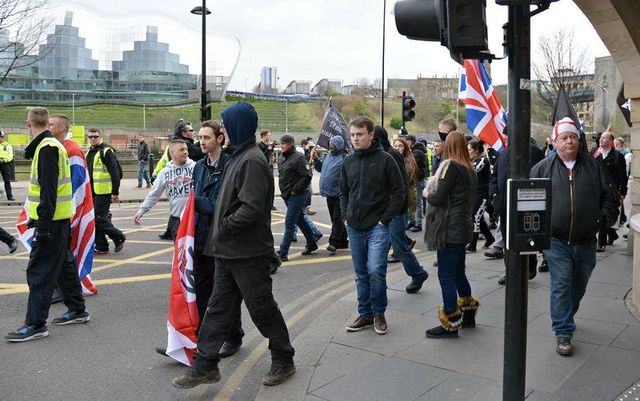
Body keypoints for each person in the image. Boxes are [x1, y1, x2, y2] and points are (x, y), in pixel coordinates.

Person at [172, 102, 295, 389]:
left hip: (248, 252)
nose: (223, 129)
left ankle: (284, 358)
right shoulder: (238, 156)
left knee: (262, 309)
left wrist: (224, 227)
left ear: (238, 126)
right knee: (217, 308)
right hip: (229, 250)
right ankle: (205, 366)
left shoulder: (251, 160)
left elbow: (251, 208)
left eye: (226, 124)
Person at [530, 117, 619, 356]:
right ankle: (563, 333)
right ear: (555, 142)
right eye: (564, 138)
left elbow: (611, 199)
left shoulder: (594, 166)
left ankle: (566, 316)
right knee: (561, 285)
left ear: (578, 141)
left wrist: (602, 221)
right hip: (556, 242)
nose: (569, 141)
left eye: (573, 137)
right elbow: (530, 205)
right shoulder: (541, 169)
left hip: (586, 240)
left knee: (578, 286)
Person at [5, 107, 89, 343]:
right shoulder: (51, 146)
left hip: (51, 223)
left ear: (28, 124)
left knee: (39, 271)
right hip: (56, 220)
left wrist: (42, 227)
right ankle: (78, 309)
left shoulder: (47, 149)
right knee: (63, 265)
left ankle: (35, 324)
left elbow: (48, 193)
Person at [341, 117, 404, 335]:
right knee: (361, 273)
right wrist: (345, 217)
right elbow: (343, 192)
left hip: (377, 226)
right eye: (352, 135)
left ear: (371, 135)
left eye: (359, 134)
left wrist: (384, 220)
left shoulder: (386, 159)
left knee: (376, 270)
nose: (355, 139)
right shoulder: (348, 161)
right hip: (354, 226)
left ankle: (379, 313)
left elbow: (399, 193)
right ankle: (365, 314)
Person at [422, 131, 478, 338]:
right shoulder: (470, 169)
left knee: (445, 276)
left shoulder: (452, 167)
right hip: (463, 227)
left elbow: (437, 198)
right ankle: (468, 315)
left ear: (449, 146)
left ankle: (451, 323)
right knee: (458, 273)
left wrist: (427, 193)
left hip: (449, 229)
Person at [381, 129, 429, 293]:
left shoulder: (392, 156)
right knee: (382, 246)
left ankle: (418, 273)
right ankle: (379, 282)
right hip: (387, 209)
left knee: (398, 245)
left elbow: (399, 186)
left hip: (396, 209)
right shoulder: (387, 154)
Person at [134, 140, 195, 240]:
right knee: (180, 253)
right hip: (177, 220)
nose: (186, 152)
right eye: (181, 150)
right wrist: (141, 211)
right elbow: (154, 194)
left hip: (195, 218)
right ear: (172, 153)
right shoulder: (164, 173)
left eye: (186, 149)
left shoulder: (196, 167)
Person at [277, 134, 319, 261]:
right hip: (286, 194)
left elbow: (307, 175)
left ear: (290, 144)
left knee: (289, 222)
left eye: (283, 143)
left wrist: (295, 190)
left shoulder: (299, 158)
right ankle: (311, 243)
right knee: (299, 219)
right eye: (281, 143)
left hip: (298, 195)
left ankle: (283, 252)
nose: (281, 145)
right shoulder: (282, 157)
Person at [85, 128, 126, 254]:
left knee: (98, 218)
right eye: (90, 137)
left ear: (100, 137)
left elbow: (116, 173)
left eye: (95, 137)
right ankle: (102, 246)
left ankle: (118, 236)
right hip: (92, 192)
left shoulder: (106, 152)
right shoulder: (89, 153)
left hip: (104, 192)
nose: (93, 139)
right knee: (97, 218)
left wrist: (115, 192)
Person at [311, 135, 348, 254]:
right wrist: (316, 159)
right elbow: (321, 168)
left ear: (339, 145)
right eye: (330, 143)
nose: (330, 145)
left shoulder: (344, 158)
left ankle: (333, 242)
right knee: (335, 218)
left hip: (340, 194)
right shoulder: (328, 156)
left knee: (337, 218)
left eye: (333, 143)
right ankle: (343, 240)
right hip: (329, 193)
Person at [593, 131, 627, 251]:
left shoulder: (618, 156)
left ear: (611, 141)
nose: (601, 140)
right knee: (600, 215)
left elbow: (623, 176)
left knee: (604, 214)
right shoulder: (595, 154)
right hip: (596, 190)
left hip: (611, 193)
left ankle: (601, 243)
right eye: (601, 138)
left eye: (604, 138)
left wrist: (622, 192)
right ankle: (612, 234)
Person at [466, 139, 494, 252]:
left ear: (476, 150)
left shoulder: (483, 160)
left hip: (483, 194)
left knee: (475, 217)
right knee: (479, 217)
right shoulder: (473, 160)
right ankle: (489, 238)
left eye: (469, 149)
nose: (467, 152)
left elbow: (472, 171)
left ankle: (472, 244)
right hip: (475, 193)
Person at [405, 134, 428, 232]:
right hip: (416, 179)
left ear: (412, 141)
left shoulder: (417, 152)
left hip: (418, 179)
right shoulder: (415, 151)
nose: (406, 144)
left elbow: (409, 161)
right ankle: (412, 221)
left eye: (407, 142)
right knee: (413, 201)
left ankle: (418, 224)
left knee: (418, 202)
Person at [258, 130, 277, 211]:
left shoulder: (269, 145)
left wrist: (272, 148)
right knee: (263, 187)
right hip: (263, 169)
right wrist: (269, 148)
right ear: (263, 136)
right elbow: (263, 156)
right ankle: (263, 204)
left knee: (271, 187)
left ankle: (270, 204)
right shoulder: (259, 145)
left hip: (270, 168)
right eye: (268, 135)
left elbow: (270, 154)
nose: (269, 137)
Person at [0, 130, 15, 200]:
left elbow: (10, 156)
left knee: (7, 181)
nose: (1, 138)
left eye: (1, 137)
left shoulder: (8, 146)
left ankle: (10, 196)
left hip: (5, 164)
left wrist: (4, 160)